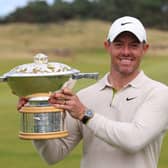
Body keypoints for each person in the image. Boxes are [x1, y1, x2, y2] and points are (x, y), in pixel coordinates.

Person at [18, 16, 168, 168]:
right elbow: (54, 154)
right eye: (119, 44)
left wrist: (85, 114)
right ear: (107, 46)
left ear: (145, 49)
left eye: (134, 46)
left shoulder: (158, 93)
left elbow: (134, 139)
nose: (126, 52)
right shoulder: (85, 96)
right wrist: (38, 111)